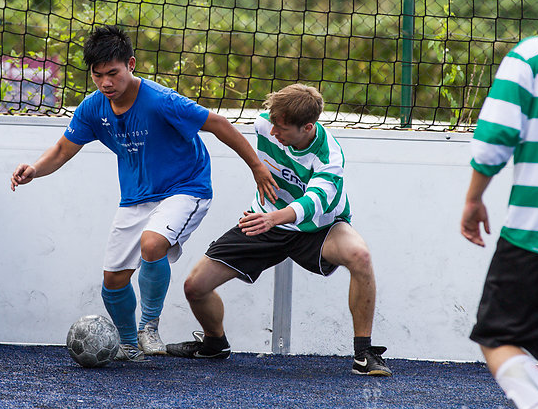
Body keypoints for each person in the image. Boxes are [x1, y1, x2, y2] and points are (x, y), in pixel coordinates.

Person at [10, 25, 277, 360]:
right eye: (97, 75)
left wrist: (256, 167)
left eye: (113, 73)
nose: (106, 83)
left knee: (152, 244)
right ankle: (128, 345)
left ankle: (149, 327)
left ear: (131, 65)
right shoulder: (92, 108)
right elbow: (63, 149)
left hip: (186, 187)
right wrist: (35, 169)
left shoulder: (162, 101)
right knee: (113, 281)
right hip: (136, 197)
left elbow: (219, 124)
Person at [166, 83, 392, 376]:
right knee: (194, 287)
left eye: (281, 129)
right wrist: (256, 167)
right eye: (272, 124)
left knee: (360, 256)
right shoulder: (266, 123)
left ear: (307, 127)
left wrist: (274, 219)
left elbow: (313, 202)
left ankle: (363, 354)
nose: (272, 132)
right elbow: (227, 130)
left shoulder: (330, 156)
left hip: (318, 229)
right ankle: (214, 343)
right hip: (264, 219)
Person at [462, 0, 538, 409]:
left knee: (498, 335)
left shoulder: (531, 57)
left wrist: (473, 199)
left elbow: (493, 141)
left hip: (536, 235)